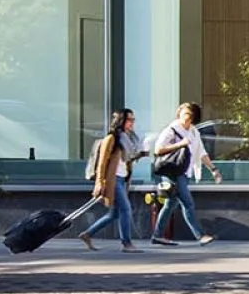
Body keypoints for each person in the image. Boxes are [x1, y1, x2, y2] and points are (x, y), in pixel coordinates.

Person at [148, 101, 218, 245]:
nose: (185, 117)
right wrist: (180, 144)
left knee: (170, 205)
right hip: (172, 172)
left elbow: (201, 153)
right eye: (183, 113)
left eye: (189, 115)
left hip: (185, 173)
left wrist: (213, 169)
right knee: (188, 203)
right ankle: (200, 235)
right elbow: (158, 150)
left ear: (194, 117)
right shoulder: (171, 130)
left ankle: (157, 235)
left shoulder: (193, 132)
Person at [75, 108, 141, 251]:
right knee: (125, 209)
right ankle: (127, 243)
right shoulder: (111, 138)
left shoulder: (126, 138)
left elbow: (127, 160)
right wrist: (100, 182)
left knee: (114, 214)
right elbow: (102, 162)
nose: (132, 123)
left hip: (123, 179)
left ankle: (87, 234)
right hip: (113, 179)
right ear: (121, 121)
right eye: (129, 120)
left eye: (133, 120)